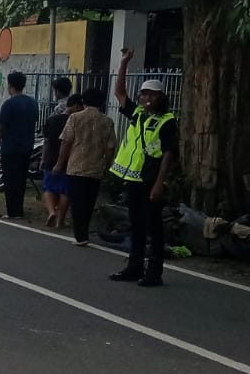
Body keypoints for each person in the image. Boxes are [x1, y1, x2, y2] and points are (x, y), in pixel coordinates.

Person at [109, 49, 178, 286]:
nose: (146, 98)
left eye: (152, 94)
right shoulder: (138, 114)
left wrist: (159, 183)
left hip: (151, 179)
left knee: (153, 225)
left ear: (161, 97)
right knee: (136, 223)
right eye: (143, 93)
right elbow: (119, 92)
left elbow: (169, 154)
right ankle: (134, 266)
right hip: (134, 178)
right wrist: (124, 63)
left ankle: (154, 271)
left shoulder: (167, 121)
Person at [53, 90, 117, 247]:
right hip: (95, 167)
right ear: (102, 102)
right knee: (89, 201)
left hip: (76, 166)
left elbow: (66, 142)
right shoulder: (107, 121)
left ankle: (80, 235)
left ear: (84, 101)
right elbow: (110, 147)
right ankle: (84, 231)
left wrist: (60, 163)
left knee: (77, 202)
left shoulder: (75, 118)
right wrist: (107, 164)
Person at [0, 71, 37, 220]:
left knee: (10, 180)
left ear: (10, 85)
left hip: (11, 148)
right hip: (27, 147)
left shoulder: (9, 104)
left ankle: (12, 211)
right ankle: (19, 209)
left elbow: (0, 128)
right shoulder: (32, 103)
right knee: (21, 179)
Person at [39, 76, 74, 228]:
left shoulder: (58, 110)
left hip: (53, 151)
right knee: (65, 189)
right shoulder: (77, 107)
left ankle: (51, 211)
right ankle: (61, 220)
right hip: (70, 154)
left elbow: (47, 137)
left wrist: (43, 157)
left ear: (58, 91)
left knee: (49, 186)